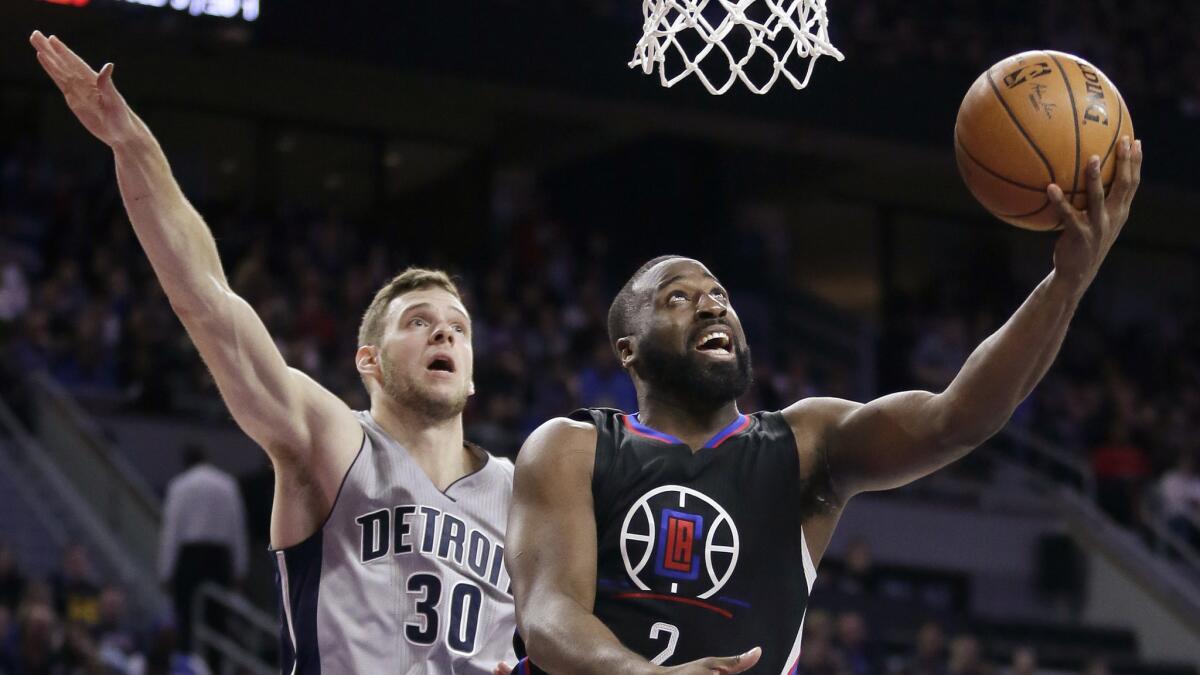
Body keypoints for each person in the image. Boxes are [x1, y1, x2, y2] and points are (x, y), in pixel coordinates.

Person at [504, 135, 1143, 672]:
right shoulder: (571, 446)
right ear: (628, 350)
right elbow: (549, 615)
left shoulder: (808, 442)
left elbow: (959, 419)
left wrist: (1068, 281)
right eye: (676, 297)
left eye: (720, 294)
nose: (710, 302)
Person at [30, 32, 516, 673]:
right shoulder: (334, 441)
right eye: (418, 321)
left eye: (458, 326)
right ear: (367, 360)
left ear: (474, 373)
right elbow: (208, 303)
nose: (445, 333)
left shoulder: (521, 491)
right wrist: (133, 146)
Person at [159, 444, 248, 655]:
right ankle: (214, 667)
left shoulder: (180, 486)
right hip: (219, 558)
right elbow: (237, 529)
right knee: (217, 622)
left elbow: (172, 531)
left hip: (190, 556)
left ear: (186, 463)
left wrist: (165, 571)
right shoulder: (227, 484)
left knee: (185, 620)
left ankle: (186, 663)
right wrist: (239, 569)